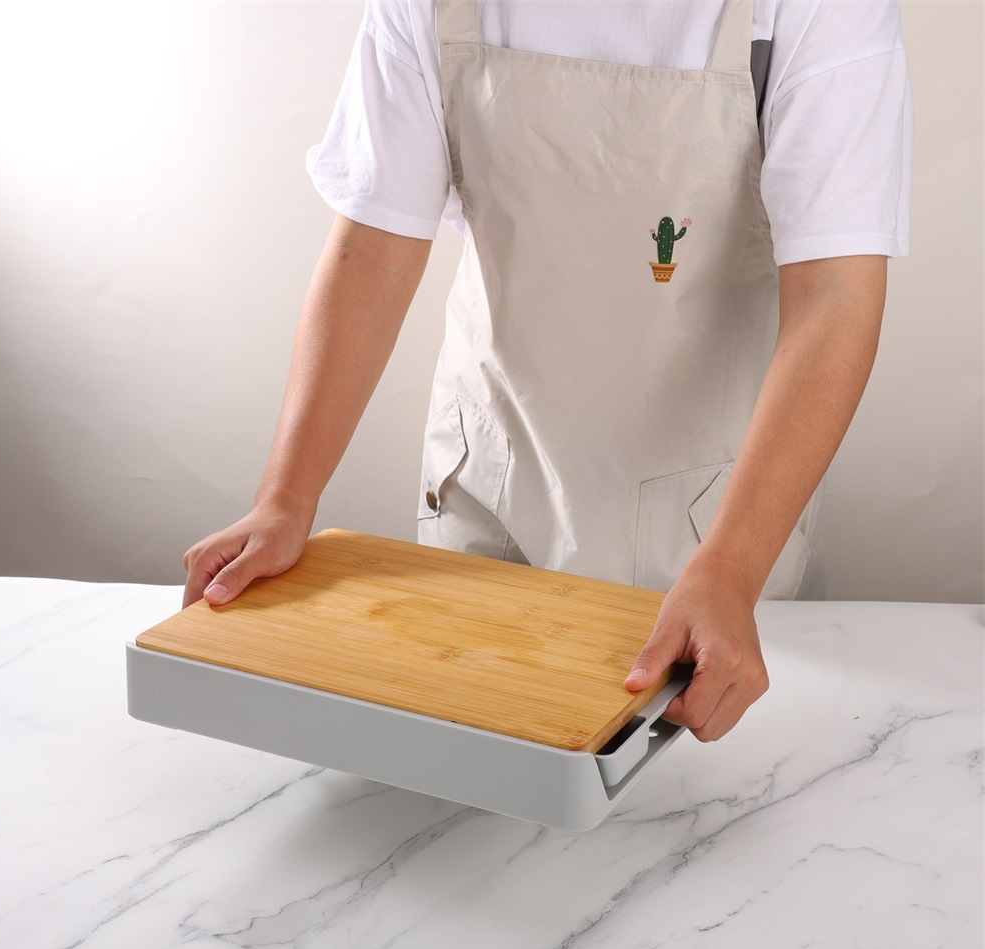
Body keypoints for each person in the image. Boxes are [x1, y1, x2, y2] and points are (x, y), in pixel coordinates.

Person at [182, 0, 912, 742]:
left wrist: (729, 568)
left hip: (719, 526)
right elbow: (372, 249)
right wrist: (285, 499)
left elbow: (835, 297)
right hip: (489, 497)